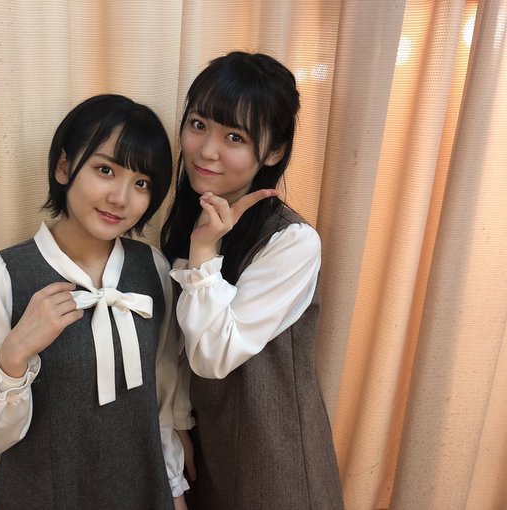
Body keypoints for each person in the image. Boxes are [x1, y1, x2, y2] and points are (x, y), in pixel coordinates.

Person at [0, 94, 191, 509]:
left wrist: (173, 487)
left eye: (141, 183)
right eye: (105, 170)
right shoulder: (1, 275)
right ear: (64, 166)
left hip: (140, 491)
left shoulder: (152, 268)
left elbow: (161, 397)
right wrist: (15, 353)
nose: (120, 198)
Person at [161, 52, 344, 509]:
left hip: (272, 453)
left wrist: (204, 252)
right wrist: (176, 422)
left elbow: (213, 356)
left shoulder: (292, 241)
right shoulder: (190, 214)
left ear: (274, 151)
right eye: (198, 124)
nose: (207, 150)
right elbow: (177, 344)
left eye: (234, 137)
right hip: (209, 440)